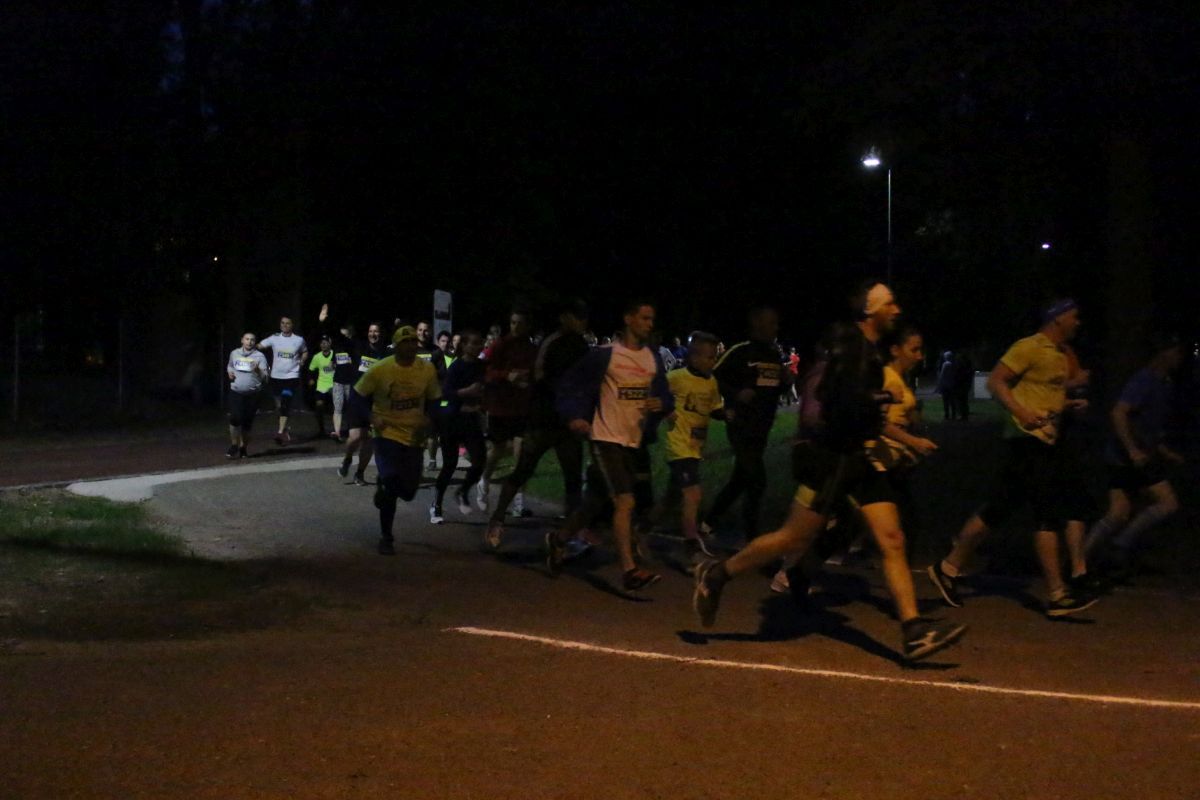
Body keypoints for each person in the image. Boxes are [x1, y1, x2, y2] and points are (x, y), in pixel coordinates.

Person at [693, 282, 967, 662]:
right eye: (889, 304)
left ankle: (914, 631)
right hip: (831, 459)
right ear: (870, 309)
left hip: (856, 458)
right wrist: (879, 399)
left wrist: (897, 433)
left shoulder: (867, 351)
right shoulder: (848, 346)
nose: (896, 310)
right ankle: (717, 575)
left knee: (892, 538)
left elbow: (861, 412)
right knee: (792, 537)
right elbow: (835, 403)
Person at [926, 299, 1099, 617]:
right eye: (1074, 316)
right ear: (1058, 318)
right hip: (1026, 440)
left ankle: (948, 567)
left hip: (1045, 441)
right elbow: (996, 381)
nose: (1078, 322)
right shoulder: (1029, 347)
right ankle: (1057, 594)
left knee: (998, 509)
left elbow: (1045, 396)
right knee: (1045, 512)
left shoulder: (1059, 354)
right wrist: (1021, 412)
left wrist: (1068, 405)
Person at [549, 299, 674, 592]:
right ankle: (629, 570)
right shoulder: (604, 355)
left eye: (652, 319)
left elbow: (664, 394)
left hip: (633, 441)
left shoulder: (652, 358)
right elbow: (570, 385)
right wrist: (575, 416)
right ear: (628, 319)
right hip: (605, 438)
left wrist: (663, 404)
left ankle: (558, 539)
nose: (650, 324)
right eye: (644, 318)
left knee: (594, 502)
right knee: (625, 501)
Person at [484, 299, 590, 548]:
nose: (583, 322)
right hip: (543, 420)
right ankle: (497, 519)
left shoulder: (581, 345)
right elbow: (541, 378)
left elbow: (584, 382)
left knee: (573, 478)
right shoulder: (550, 342)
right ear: (565, 318)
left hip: (568, 424)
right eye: (579, 317)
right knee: (523, 470)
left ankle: (570, 534)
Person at [1084, 334, 1185, 578]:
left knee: (1118, 513)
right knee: (1167, 503)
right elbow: (1119, 413)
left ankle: (1081, 561)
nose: (1180, 357)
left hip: (1133, 456)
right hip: (1126, 457)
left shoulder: (1165, 383)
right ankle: (1119, 546)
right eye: (1176, 351)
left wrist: (1164, 451)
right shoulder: (1144, 379)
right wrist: (1132, 450)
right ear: (1163, 353)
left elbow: (1149, 425)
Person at [352, 325, 441, 555]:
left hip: (414, 436)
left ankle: (384, 488)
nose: (410, 346)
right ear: (395, 346)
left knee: (409, 492)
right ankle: (386, 537)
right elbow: (357, 395)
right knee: (391, 483)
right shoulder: (381, 369)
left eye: (413, 342)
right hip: (387, 434)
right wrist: (371, 417)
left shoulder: (426, 369)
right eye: (405, 342)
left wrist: (430, 419)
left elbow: (434, 399)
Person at [701, 306, 788, 540]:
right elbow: (713, 377)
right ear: (757, 324)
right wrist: (735, 394)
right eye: (772, 323)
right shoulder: (740, 352)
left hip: (762, 428)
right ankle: (753, 539)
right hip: (741, 427)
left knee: (741, 479)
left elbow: (773, 387)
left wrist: (786, 381)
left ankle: (708, 522)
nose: (776, 328)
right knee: (757, 481)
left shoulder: (774, 355)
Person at [659, 331, 728, 566]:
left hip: (695, 448)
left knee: (671, 499)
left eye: (715, 357)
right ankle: (691, 549)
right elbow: (656, 393)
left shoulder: (711, 382)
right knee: (693, 494)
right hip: (679, 446)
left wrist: (730, 414)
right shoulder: (676, 377)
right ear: (693, 357)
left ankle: (641, 529)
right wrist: (665, 409)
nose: (713, 362)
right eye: (709, 357)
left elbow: (715, 409)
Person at [478, 310, 538, 514]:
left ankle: (518, 501)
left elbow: (536, 373)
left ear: (528, 325)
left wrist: (530, 380)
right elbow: (487, 372)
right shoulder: (500, 345)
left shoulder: (531, 349)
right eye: (513, 323)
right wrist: (507, 375)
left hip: (522, 407)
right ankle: (484, 480)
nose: (516, 327)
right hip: (501, 406)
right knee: (498, 449)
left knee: (521, 455)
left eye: (520, 323)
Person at [430, 331, 487, 524]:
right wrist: (467, 392)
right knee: (450, 464)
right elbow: (446, 393)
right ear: (464, 345)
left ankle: (463, 491)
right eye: (474, 343)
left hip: (472, 419)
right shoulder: (456, 366)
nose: (479, 347)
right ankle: (436, 504)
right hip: (452, 420)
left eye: (480, 343)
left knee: (479, 461)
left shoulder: (481, 366)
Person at [339, 319, 391, 485]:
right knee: (355, 437)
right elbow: (341, 339)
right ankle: (347, 459)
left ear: (381, 334)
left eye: (376, 331)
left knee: (368, 439)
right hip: (357, 399)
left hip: (374, 402)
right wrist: (324, 322)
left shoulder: (386, 353)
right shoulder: (359, 347)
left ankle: (359, 473)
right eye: (370, 331)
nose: (373, 334)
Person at [258, 316, 309, 445]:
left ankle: (280, 432)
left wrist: (302, 360)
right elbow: (259, 346)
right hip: (276, 377)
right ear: (280, 325)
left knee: (286, 402)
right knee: (279, 407)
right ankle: (285, 429)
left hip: (291, 376)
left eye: (288, 323)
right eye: (283, 323)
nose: (285, 325)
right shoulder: (274, 338)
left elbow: (305, 351)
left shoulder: (298, 340)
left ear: (292, 325)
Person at [317, 304, 359, 443]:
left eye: (343, 331)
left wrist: (325, 321)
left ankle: (353, 431)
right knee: (337, 408)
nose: (341, 333)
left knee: (352, 408)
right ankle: (337, 432)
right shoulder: (337, 346)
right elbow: (330, 334)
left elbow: (334, 331)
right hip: (338, 381)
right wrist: (332, 363)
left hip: (351, 382)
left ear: (349, 331)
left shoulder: (353, 344)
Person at [225, 332, 269, 458]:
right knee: (235, 417)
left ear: (255, 342)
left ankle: (243, 448)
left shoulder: (259, 356)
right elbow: (230, 366)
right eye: (247, 339)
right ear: (242, 341)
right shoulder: (235, 353)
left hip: (253, 394)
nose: (249, 342)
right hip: (236, 392)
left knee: (247, 422)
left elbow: (266, 377)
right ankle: (234, 445)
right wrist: (230, 373)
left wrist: (257, 370)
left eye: (252, 340)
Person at [307, 335, 336, 438]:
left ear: (330, 343)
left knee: (336, 408)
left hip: (334, 386)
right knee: (319, 406)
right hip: (321, 386)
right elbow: (311, 370)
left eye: (325, 342)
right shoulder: (317, 357)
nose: (323, 345)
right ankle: (322, 430)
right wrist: (310, 379)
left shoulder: (335, 355)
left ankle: (336, 430)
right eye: (321, 343)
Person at [936, 351, 958, 420]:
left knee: (945, 401)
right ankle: (953, 415)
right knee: (952, 401)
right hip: (952, 385)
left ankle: (947, 415)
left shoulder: (945, 364)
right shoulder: (954, 364)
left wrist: (939, 385)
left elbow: (942, 375)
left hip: (945, 385)